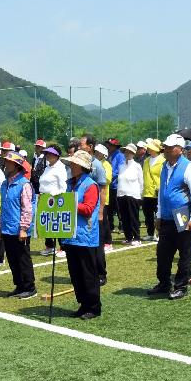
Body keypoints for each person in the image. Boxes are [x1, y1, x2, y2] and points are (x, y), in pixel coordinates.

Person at [149, 134, 191, 300]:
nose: (166, 149)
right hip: (166, 217)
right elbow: (162, 192)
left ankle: (180, 286)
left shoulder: (189, 167)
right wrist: (158, 214)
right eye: (165, 146)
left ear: (179, 150)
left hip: (183, 215)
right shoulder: (165, 166)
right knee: (163, 253)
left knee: (185, 253)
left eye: (170, 147)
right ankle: (164, 283)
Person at [61, 150, 102, 319]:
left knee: (88, 275)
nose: (71, 165)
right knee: (76, 274)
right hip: (71, 235)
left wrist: (68, 202)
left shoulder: (91, 185)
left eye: (74, 163)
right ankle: (83, 304)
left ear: (82, 167)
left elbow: (88, 209)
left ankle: (93, 307)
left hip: (85, 236)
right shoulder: (71, 184)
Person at [0, 152, 37, 299]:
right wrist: (0, 227)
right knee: (12, 259)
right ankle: (19, 285)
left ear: (16, 165)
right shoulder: (5, 184)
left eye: (8, 162)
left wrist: (23, 228)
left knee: (23, 259)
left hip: (19, 229)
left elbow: (27, 209)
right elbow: (3, 207)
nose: (5, 164)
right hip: (7, 228)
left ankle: (29, 287)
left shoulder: (24, 184)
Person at [80, 134, 109, 284]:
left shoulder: (96, 165)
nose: (79, 147)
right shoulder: (78, 163)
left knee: (96, 244)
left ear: (90, 147)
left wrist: (101, 212)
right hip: (81, 212)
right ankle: (88, 272)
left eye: (82, 144)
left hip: (94, 211)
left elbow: (103, 189)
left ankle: (100, 274)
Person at [37, 145, 68, 256]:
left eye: (51, 153)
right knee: (47, 223)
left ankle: (63, 247)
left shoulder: (60, 167)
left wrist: (54, 196)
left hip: (56, 199)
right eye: (47, 153)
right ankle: (50, 246)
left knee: (57, 223)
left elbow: (63, 187)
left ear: (57, 155)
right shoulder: (47, 167)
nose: (48, 155)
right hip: (45, 199)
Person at [117, 143, 144, 245]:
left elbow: (141, 182)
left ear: (133, 153)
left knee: (133, 217)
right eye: (125, 152)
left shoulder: (137, 166)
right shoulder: (121, 166)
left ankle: (137, 237)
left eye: (129, 152)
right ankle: (128, 237)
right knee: (124, 217)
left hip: (133, 195)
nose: (126, 154)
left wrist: (139, 195)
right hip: (121, 194)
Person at [141, 138, 164, 241]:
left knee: (159, 213)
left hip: (158, 191)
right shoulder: (146, 161)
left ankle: (160, 234)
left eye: (151, 148)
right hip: (147, 192)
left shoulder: (163, 161)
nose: (149, 150)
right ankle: (150, 233)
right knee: (148, 214)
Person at [94, 144, 114, 252]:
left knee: (104, 221)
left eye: (98, 152)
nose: (96, 154)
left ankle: (108, 241)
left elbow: (107, 179)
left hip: (103, 196)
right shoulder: (94, 163)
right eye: (96, 152)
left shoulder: (106, 165)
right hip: (94, 197)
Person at [106, 138, 125, 235]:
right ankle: (111, 225)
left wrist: (110, 176)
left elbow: (120, 169)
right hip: (109, 186)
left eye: (110, 145)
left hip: (117, 185)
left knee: (118, 207)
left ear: (115, 146)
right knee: (109, 206)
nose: (108, 146)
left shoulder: (120, 156)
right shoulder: (108, 155)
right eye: (108, 144)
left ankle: (122, 226)